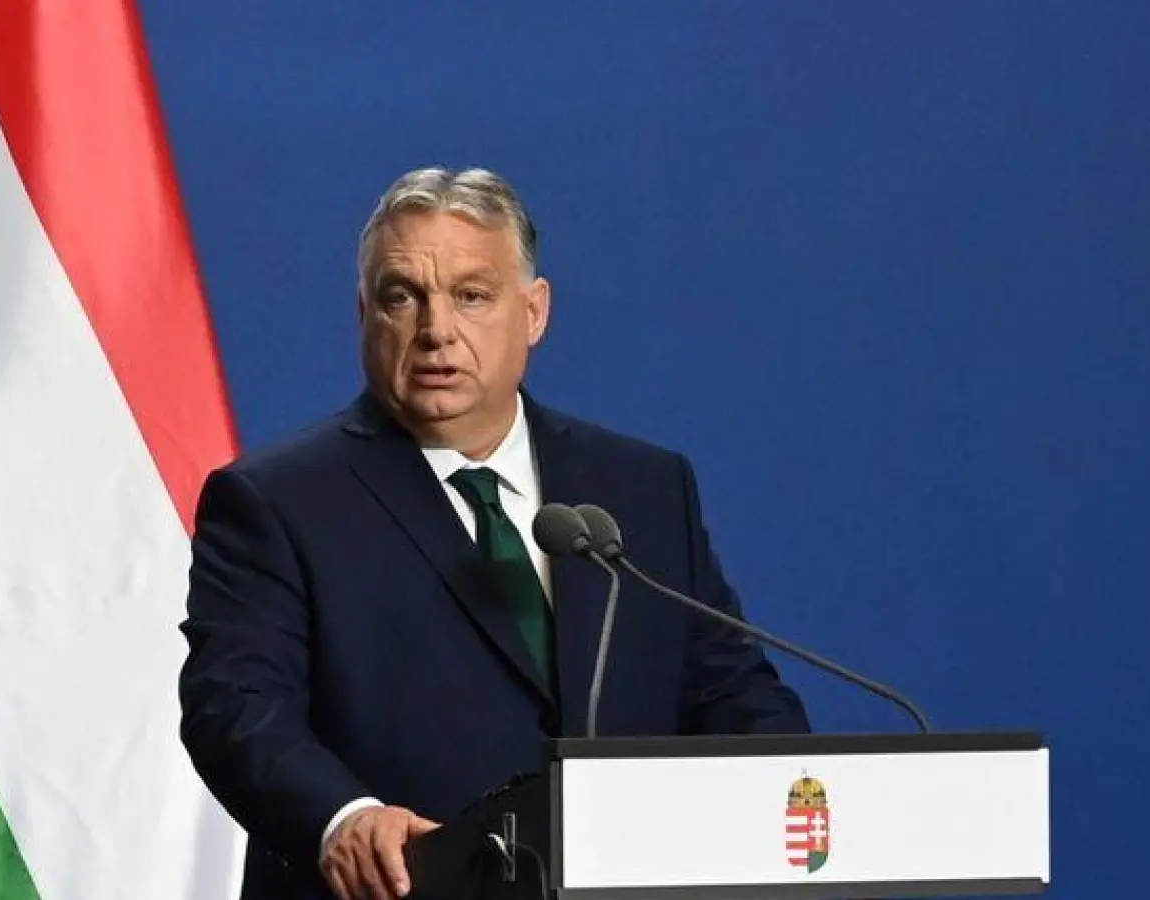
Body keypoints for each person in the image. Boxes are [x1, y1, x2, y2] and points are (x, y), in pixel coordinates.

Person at [179, 167, 810, 900]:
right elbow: (237, 709)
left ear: (534, 312)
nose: (435, 330)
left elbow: (731, 691)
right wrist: (342, 819)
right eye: (400, 297)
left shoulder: (641, 488)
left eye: (471, 296)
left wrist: (794, 789)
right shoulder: (275, 501)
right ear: (364, 315)